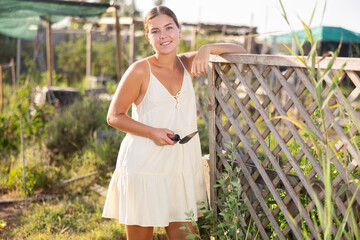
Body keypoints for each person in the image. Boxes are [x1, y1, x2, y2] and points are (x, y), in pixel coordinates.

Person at [102, 5, 246, 240]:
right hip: (145, 166)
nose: (164, 35)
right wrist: (152, 132)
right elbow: (114, 116)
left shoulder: (187, 63)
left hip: (182, 165)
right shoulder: (140, 70)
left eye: (169, 28)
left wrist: (207, 48)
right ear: (148, 37)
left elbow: (240, 49)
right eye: (155, 31)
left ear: (179, 30)